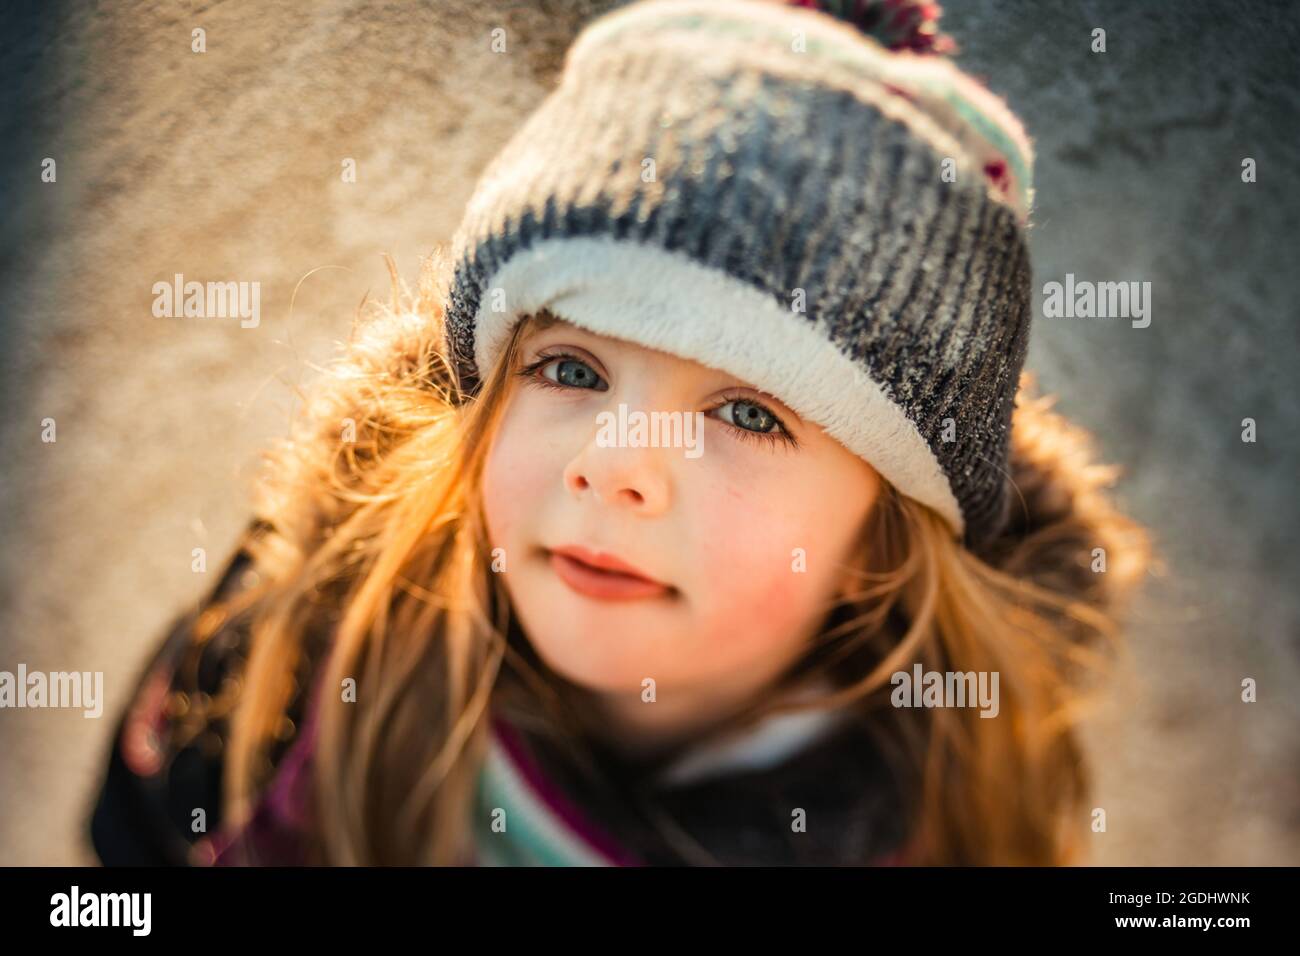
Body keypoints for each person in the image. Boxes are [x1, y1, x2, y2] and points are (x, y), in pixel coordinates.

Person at [89, 0, 1155, 867]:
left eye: (748, 412)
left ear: (876, 541)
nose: (614, 462)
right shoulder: (302, 632)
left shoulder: (947, 811)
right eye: (570, 368)